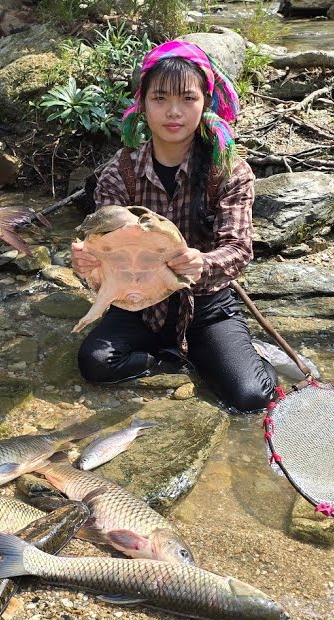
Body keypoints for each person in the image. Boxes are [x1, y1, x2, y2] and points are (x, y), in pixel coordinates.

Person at [72, 40, 277, 412]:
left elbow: (238, 249)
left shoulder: (229, 171)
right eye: (160, 98)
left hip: (206, 307)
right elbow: (103, 245)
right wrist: (88, 264)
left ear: (206, 104)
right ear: (142, 103)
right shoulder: (120, 171)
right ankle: (168, 359)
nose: (173, 112)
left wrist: (203, 262)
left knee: (251, 396)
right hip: (137, 304)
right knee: (95, 363)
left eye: (188, 99)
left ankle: (232, 352)